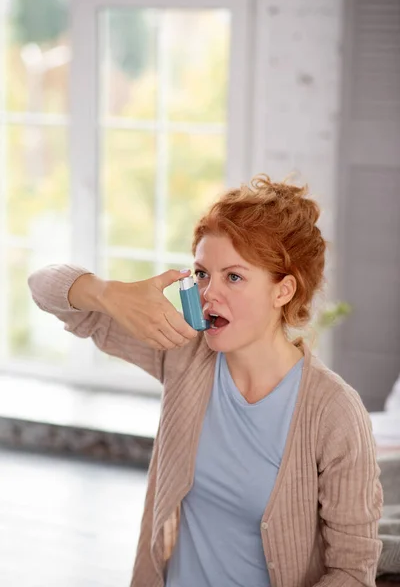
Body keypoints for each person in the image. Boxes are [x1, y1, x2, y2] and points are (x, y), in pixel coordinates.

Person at [28, 174, 383, 587]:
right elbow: (41, 286)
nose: (208, 294)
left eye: (233, 276)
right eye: (201, 274)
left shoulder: (333, 411)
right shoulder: (183, 352)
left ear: (283, 290)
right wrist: (110, 293)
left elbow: (353, 571)